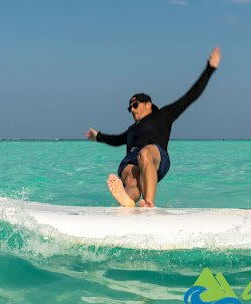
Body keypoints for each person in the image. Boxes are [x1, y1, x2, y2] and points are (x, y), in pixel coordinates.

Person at [85, 47, 221, 208]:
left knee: (145, 153)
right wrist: (98, 136)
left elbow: (190, 96)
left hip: (156, 155)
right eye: (130, 108)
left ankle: (149, 203)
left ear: (148, 104)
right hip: (131, 158)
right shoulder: (131, 130)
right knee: (130, 176)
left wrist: (209, 69)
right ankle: (128, 199)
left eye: (135, 105)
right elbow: (115, 140)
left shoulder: (164, 115)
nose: (132, 109)